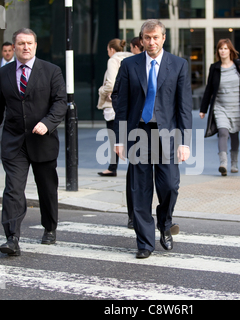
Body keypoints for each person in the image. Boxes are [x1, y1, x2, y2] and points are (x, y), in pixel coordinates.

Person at [113, 20, 192, 259]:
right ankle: (144, 243)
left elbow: (184, 106)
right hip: (139, 134)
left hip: (167, 134)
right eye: (147, 38)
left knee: (169, 185)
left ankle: (165, 224)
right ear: (141, 39)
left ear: (163, 38)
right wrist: (119, 138)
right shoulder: (129, 65)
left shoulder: (178, 65)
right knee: (140, 190)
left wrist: (185, 141)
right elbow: (122, 104)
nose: (151, 42)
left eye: (155, 37)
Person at [0, 28, 67, 256]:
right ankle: (12, 237)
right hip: (13, 140)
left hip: (42, 139)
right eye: (21, 43)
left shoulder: (51, 71)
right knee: (13, 188)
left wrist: (48, 123)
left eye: (29, 43)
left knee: (47, 188)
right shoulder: (4, 73)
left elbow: (60, 103)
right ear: (14, 47)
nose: (25, 47)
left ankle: (50, 228)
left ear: (35, 45)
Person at [199, 39, 240, 176]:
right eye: (220, 49)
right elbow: (209, 89)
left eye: (225, 48)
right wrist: (203, 109)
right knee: (223, 132)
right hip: (220, 106)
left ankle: (234, 163)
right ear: (217, 51)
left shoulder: (239, 65)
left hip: (236, 106)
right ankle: (223, 163)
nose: (222, 51)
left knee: (234, 134)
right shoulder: (215, 67)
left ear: (230, 51)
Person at [97, 39, 133, 177]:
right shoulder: (130, 58)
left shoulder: (113, 60)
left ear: (112, 49)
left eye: (107, 50)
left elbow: (111, 84)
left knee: (114, 137)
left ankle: (112, 167)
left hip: (113, 105)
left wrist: (102, 91)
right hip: (128, 103)